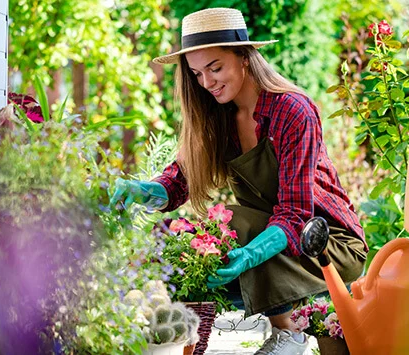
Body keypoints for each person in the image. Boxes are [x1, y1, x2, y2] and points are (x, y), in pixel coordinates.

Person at [110, 8, 367, 355]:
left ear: (244, 57)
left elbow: (293, 214)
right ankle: (187, 341)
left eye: (215, 68)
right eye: (198, 73)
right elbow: (178, 182)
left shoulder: (293, 111)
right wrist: (142, 190)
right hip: (267, 237)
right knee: (180, 239)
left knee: (234, 222)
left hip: (326, 242)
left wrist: (247, 255)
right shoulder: (217, 116)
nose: (207, 82)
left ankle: (288, 336)